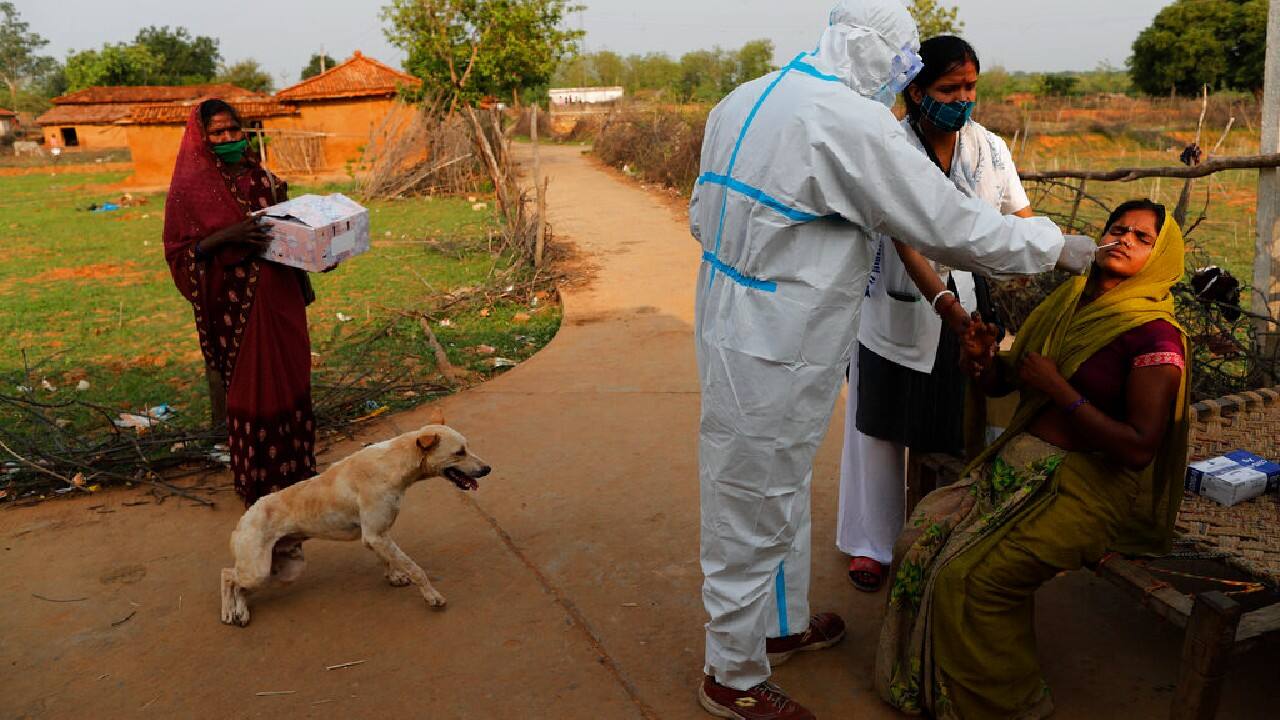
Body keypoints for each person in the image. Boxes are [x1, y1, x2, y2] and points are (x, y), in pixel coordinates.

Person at [689, 2, 1098, 717]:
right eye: (902, 65)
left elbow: (701, 209)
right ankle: (731, 675)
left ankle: (773, 627)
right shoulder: (847, 122)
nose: (899, 80)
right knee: (749, 494)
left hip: (732, 311)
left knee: (773, 478)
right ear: (872, 51)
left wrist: (763, 255)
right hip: (779, 334)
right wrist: (1053, 246)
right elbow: (947, 224)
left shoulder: (748, 95)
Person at [876, 199, 1190, 720]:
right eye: (1118, 228)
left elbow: (1139, 448)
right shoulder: (1067, 301)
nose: (1125, 239)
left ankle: (1011, 706)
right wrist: (980, 361)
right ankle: (929, 686)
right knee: (917, 540)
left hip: (1086, 485)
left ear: (1162, 258)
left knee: (973, 578)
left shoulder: (1154, 335)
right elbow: (1011, 380)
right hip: (1017, 463)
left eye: (1143, 237)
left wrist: (1061, 391)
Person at [837, 35, 1034, 593]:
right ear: (917, 91)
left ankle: (935, 535)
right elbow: (906, 240)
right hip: (896, 302)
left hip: (968, 310)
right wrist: (946, 305)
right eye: (949, 88)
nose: (963, 97)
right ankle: (872, 544)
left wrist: (1037, 257)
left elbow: (1019, 217)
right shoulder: (890, 149)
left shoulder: (989, 147)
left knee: (950, 424)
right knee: (879, 427)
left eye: (971, 86)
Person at [163, 99, 319, 510]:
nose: (230, 138)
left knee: (290, 376)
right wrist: (227, 236)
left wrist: (322, 247)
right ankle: (258, 483)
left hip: (281, 293)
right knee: (252, 387)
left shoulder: (263, 179)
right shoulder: (189, 191)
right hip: (234, 305)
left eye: (234, 130)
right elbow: (180, 254)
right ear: (202, 138)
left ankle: (297, 471)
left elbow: (289, 230)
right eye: (218, 133)